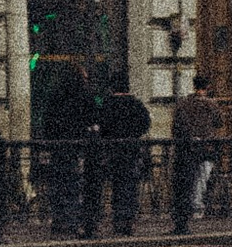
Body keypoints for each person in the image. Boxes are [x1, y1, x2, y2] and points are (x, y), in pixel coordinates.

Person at [39, 62, 94, 236]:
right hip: (75, 146)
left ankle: (59, 221)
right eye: (85, 77)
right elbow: (91, 117)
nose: (87, 80)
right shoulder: (83, 95)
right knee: (73, 185)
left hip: (58, 146)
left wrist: (49, 141)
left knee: (58, 184)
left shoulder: (56, 95)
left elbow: (48, 121)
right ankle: (72, 222)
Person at [96, 71, 151, 235]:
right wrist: (133, 134)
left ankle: (118, 219)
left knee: (116, 185)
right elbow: (146, 123)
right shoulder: (136, 104)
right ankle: (128, 220)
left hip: (112, 150)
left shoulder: (107, 104)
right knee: (130, 185)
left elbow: (101, 125)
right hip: (131, 150)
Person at [173, 74, 223, 229]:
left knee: (188, 176)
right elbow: (219, 123)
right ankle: (197, 206)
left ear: (194, 86)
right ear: (207, 87)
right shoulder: (212, 104)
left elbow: (176, 125)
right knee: (202, 177)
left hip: (188, 146)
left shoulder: (184, 103)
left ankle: (184, 208)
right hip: (206, 146)